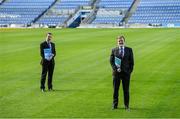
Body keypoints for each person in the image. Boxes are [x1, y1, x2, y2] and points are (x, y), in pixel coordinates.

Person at [110, 36, 134, 110]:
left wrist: (129, 72)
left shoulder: (129, 50)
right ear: (117, 42)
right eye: (119, 41)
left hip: (126, 74)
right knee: (115, 90)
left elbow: (132, 62)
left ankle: (127, 106)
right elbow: (111, 61)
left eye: (122, 40)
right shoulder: (114, 50)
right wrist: (115, 69)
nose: (120, 42)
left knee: (126, 90)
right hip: (116, 73)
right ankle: (115, 105)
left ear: (124, 41)